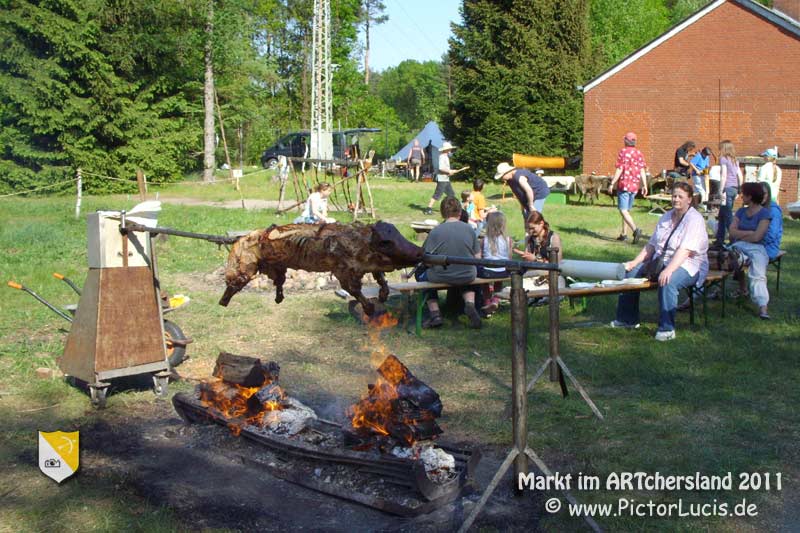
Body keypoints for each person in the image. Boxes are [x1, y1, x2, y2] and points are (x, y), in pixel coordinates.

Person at [610, 182, 709, 341]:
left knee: (667, 281)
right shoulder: (665, 217)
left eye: (680, 197)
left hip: (689, 264)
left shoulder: (694, 220)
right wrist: (633, 263)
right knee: (630, 273)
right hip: (662, 260)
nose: (676, 199)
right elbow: (651, 246)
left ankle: (667, 328)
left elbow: (685, 251)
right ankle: (626, 319)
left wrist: (669, 270)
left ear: (689, 200)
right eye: (674, 196)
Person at [418, 197, 482, 329]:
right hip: (467, 275)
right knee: (464, 270)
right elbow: (478, 257)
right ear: (460, 212)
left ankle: (435, 313)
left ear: (442, 213)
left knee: (421, 274)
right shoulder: (469, 229)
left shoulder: (436, 231)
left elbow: (427, 259)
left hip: (441, 275)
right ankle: (469, 303)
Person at [729, 182, 772, 319]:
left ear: (751, 196)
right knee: (722, 258)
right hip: (738, 246)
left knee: (758, 274)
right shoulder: (741, 211)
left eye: (744, 194)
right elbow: (731, 231)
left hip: (757, 248)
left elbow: (757, 237)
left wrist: (740, 233)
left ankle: (762, 307)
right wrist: (749, 232)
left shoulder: (765, 214)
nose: (741, 196)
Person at [608, 132, 648, 244]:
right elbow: (642, 170)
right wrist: (644, 185)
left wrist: (612, 183)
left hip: (624, 185)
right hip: (634, 186)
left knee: (623, 210)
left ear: (626, 141)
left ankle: (636, 230)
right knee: (627, 211)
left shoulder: (623, 152)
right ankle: (624, 234)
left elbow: (619, 169)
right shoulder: (639, 153)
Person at [478, 211, 513, 315]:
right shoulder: (508, 240)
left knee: (484, 283)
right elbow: (509, 258)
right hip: (503, 271)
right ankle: (495, 300)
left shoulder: (484, 240)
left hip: (487, 272)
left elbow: (479, 258)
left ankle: (487, 301)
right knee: (498, 282)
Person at [715, 140, 743, 246]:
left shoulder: (723, 159)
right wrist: (739, 189)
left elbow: (724, 175)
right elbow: (739, 175)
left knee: (727, 216)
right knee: (722, 215)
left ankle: (734, 239)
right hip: (734, 188)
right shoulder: (735, 160)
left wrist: (720, 190)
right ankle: (720, 238)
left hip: (727, 188)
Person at [424, 141, 462, 215]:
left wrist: (450, 171)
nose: (450, 150)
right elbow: (441, 168)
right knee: (437, 194)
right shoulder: (442, 157)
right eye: (449, 148)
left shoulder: (445, 156)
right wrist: (449, 171)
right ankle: (428, 209)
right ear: (446, 149)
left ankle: (453, 208)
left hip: (445, 178)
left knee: (451, 194)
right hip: (442, 179)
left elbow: (445, 168)